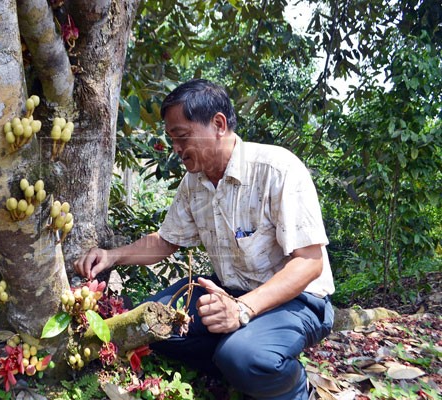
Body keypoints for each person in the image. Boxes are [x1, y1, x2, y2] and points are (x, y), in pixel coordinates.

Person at [74, 79, 335, 399]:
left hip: (300, 301)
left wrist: (241, 310)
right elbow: (166, 241)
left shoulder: (276, 170)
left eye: (182, 136)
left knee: (243, 356)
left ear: (219, 124)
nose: (176, 149)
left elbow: (309, 263)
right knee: (148, 324)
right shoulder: (194, 183)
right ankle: (233, 363)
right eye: (172, 139)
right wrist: (112, 255)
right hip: (229, 291)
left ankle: (291, 385)